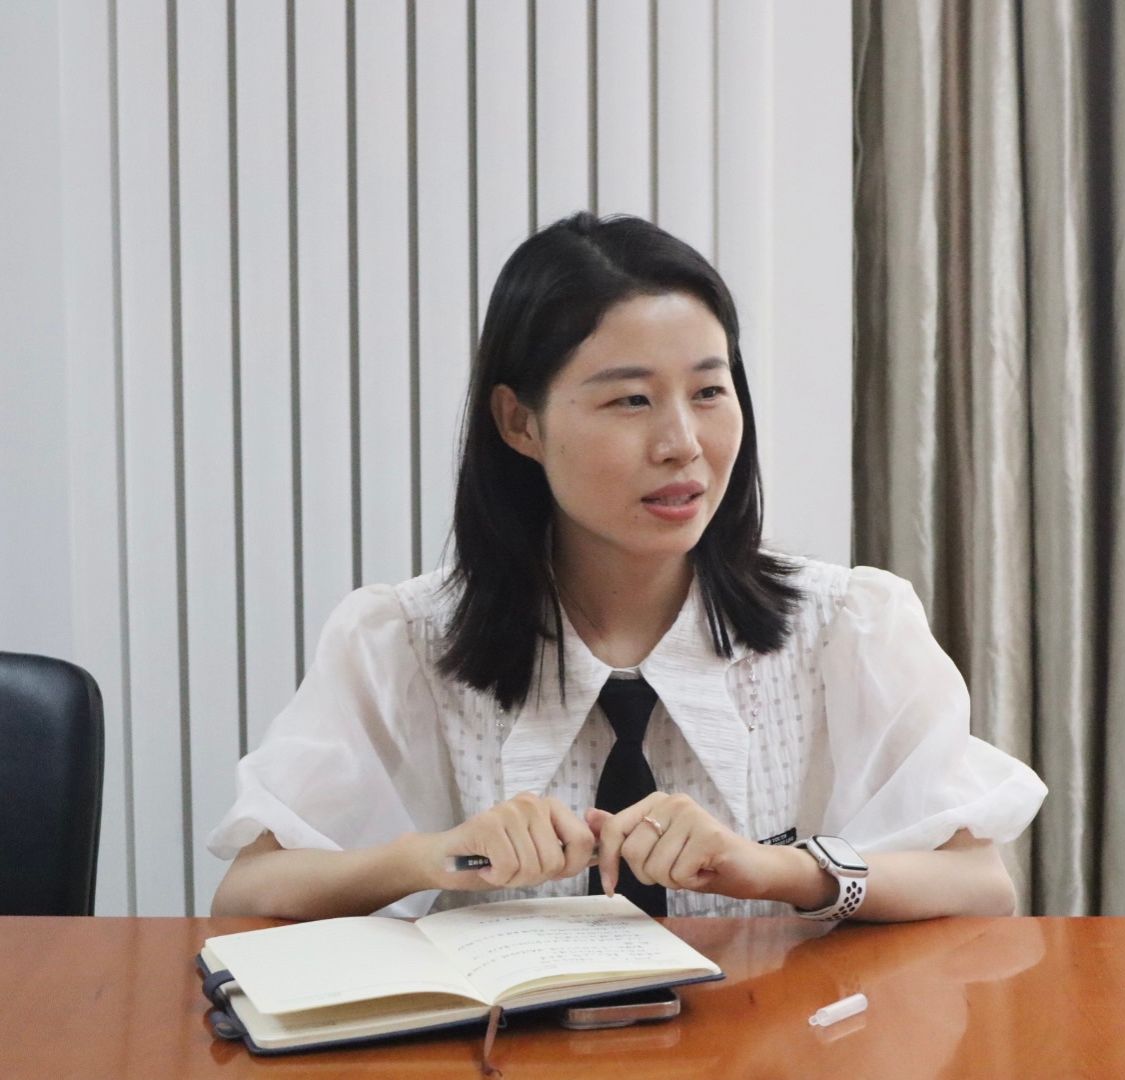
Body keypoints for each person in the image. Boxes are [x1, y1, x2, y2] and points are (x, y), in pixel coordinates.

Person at [209, 212, 1046, 923]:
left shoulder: (848, 625)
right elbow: (248, 894)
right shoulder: (403, 643)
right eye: (631, 400)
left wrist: (779, 871)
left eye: (709, 392)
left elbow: (980, 883)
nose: (682, 443)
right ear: (520, 423)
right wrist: (434, 858)